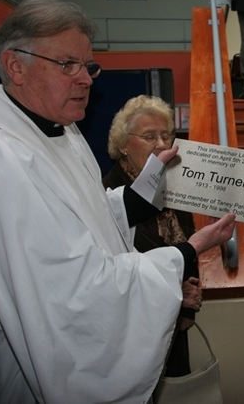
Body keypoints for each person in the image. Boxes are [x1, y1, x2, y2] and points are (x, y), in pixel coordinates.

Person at [0, 0, 236, 403]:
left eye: (87, 65)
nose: (86, 79)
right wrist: (188, 251)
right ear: (15, 66)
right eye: (67, 65)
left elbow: (90, 219)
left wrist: (148, 185)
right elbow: (73, 293)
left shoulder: (63, 131)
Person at [103, 95, 199, 377]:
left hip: (174, 328)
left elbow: (187, 249)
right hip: (132, 335)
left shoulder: (174, 187)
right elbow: (112, 274)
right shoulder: (107, 196)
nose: (161, 144)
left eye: (165, 135)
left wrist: (187, 303)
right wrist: (174, 293)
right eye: (149, 136)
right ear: (122, 145)